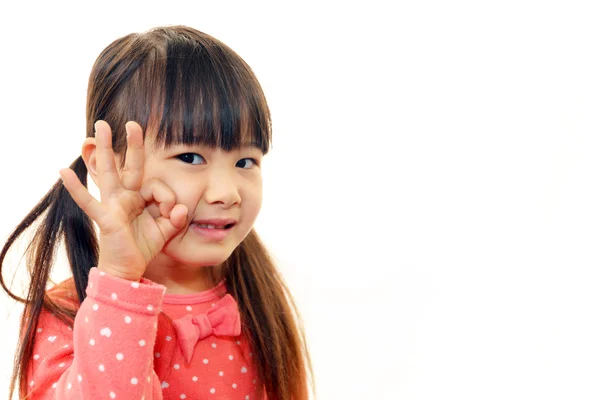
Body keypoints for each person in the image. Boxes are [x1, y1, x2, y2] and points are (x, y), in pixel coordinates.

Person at [0, 25, 313, 400]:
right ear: (105, 164)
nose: (227, 193)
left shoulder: (254, 297)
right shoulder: (66, 313)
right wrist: (119, 283)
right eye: (190, 157)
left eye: (246, 161)